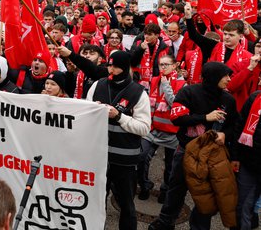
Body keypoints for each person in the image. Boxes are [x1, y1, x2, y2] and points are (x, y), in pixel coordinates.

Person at [149, 62, 239, 230]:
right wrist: (205, 117)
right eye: (225, 76)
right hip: (186, 151)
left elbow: (234, 126)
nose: (228, 79)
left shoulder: (228, 99)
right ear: (213, 77)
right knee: (175, 190)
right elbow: (177, 118)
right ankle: (165, 223)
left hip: (212, 156)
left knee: (205, 196)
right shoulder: (188, 92)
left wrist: (224, 134)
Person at [86, 50, 151, 230]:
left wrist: (119, 116)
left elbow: (144, 128)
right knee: (96, 203)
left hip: (125, 162)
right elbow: (85, 115)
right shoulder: (97, 85)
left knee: (127, 206)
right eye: (109, 65)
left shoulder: (138, 92)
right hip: (98, 158)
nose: (111, 70)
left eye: (115, 67)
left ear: (124, 68)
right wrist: (92, 110)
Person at [137, 54, 186, 203]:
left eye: (166, 64)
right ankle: (145, 185)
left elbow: (175, 105)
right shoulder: (154, 80)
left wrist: (166, 86)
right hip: (152, 130)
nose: (162, 67)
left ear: (174, 66)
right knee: (141, 157)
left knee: (170, 167)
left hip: (172, 133)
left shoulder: (182, 84)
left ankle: (165, 190)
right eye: (160, 65)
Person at [232, 90, 261, 230]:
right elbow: (240, 125)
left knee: (249, 207)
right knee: (242, 205)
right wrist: (235, 156)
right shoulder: (255, 98)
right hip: (249, 162)